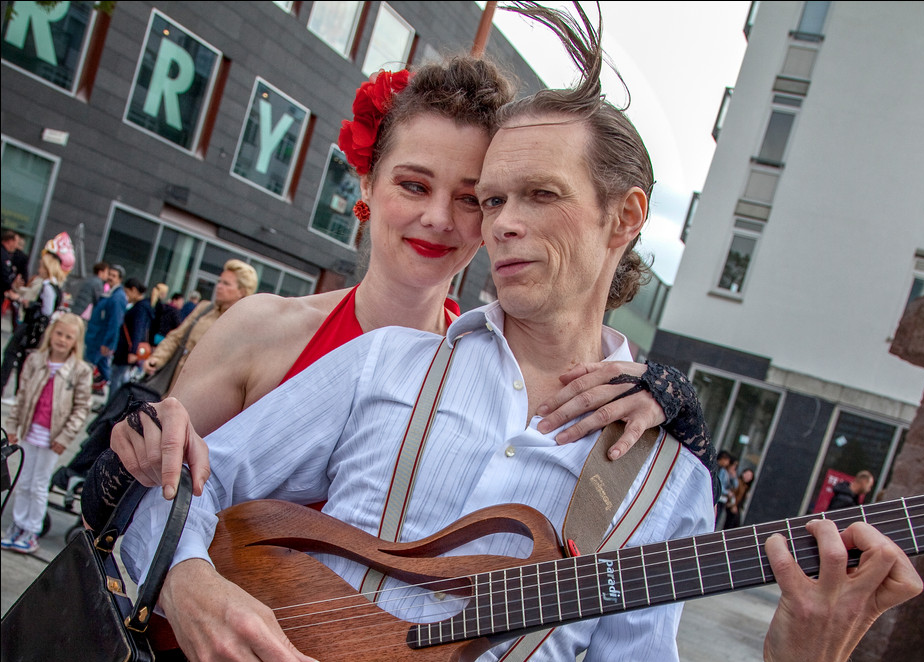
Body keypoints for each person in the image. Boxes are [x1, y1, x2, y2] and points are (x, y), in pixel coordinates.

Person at [114, 7, 921, 662]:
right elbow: (184, 476)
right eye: (492, 201)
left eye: (539, 195)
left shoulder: (669, 476)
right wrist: (186, 580)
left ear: (627, 217)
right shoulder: (388, 362)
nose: (499, 225)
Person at [102, 57, 704, 508]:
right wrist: (137, 445)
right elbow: (131, 505)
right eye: (413, 185)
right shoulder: (263, 329)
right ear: (366, 185)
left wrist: (668, 401)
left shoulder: (482, 372)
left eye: (472, 198)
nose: (439, 218)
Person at [0, 313, 92, 555]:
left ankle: (31, 530)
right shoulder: (35, 360)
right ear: (51, 334)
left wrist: (64, 438)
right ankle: (17, 525)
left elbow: (81, 407)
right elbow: (22, 397)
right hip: (30, 432)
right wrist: (12, 426)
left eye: (68, 337)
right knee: (23, 482)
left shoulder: (80, 371)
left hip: (52, 439)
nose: (62, 340)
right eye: (59, 334)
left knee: (39, 484)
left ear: (75, 341)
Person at [141, 260, 258, 397]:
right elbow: (176, 337)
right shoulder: (205, 308)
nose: (219, 286)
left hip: (203, 398)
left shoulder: (244, 325)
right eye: (219, 281)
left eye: (226, 284)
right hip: (172, 386)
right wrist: (157, 359)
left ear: (242, 292)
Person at [1, 233, 72, 397]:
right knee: (21, 359)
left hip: (31, 327)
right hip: (33, 328)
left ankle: (19, 393)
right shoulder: (52, 285)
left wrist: (26, 302)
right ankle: (19, 393)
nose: (39, 269)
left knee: (15, 356)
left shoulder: (47, 286)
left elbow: (45, 310)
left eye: (41, 266)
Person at [83, 263, 125, 394]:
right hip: (95, 337)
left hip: (99, 339)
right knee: (101, 368)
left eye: (114, 276)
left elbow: (115, 322)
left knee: (90, 367)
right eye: (110, 274)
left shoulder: (117, 297)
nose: (110, 278)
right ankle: (101, 389)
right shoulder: (110, 293)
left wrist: (108, 343)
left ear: (119, 279)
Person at [110, 277, 151, 392]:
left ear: (133, 290)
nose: (126, 296)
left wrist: (133, 351)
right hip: (127, 349)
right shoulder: (142, 307)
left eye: (127, 292)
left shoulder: (140, 308)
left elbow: (138, 329)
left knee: (117, 378)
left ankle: (114, 406)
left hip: (126, 350)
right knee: (121, 377)